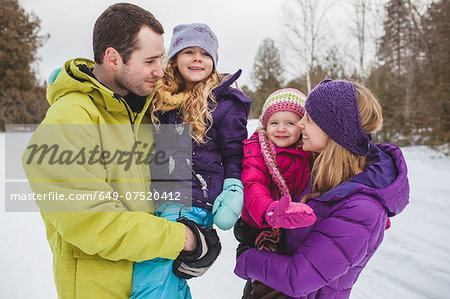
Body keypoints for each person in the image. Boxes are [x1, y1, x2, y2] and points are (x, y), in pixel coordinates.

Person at [21, 4, 219, 298]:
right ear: (113, 58)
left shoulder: (148, 111)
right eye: (150, 60)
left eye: (161, 59)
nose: (159, 70)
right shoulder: (68, 121)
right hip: (103, 290)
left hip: (158, 283)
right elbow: (94, 223)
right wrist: (185, 239)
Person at [234, 79, 410, 298]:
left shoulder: (362, 208)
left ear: (333, 130)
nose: (299, 124)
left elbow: (297, 278)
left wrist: (246, 258)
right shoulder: (320, 169)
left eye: (308, 119)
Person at [130, 23, 252, 298]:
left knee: (152, 275)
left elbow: (235, 152)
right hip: (156, 198)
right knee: (168, 277)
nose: (198, 58)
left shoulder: (224, 103)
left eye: (205, 54)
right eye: (189, 51)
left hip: (193, 200)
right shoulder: (159, 97)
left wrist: (234, 188)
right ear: (173, 58)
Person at [234, 88, 316, 298]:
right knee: (262, 281)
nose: (281, 129)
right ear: (265, 124)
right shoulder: (257, 151)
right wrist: (270, 211)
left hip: (290, 227)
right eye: (274, 122)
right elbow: (253, 186)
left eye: (290, 123)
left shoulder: (309, 151)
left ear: (302, 126)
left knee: (289, 280)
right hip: (258, 226)